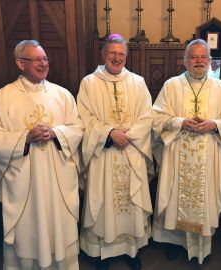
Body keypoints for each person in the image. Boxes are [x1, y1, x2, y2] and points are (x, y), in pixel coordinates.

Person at [0, 40, 84, 269]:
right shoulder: (3, 98)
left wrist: (55, 133)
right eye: (36, 59)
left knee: (58, 226)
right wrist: (25, 138)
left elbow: (77, 128)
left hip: (57, 179)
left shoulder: (62, 94)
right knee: (28, 228)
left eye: (45, 58)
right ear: (20, 63)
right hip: (24, 182)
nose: (43, 63)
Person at [152, 39, 221, 264]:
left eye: (203, 57)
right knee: (174, 199)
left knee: (203, 201)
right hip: (177, 152)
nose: (199, 61)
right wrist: (180, 122)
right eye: (194, 57)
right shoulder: (172, 85)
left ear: (210, 61)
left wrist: (215, 125)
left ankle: (201, 247)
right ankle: (174, 241)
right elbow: (156, 117)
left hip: (208, 155)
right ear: (185, 60)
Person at [77, 34, 153, 270]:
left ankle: (131, 250)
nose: (117, 58)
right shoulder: (89, 83)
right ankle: (104, 252)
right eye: (113, 53)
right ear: (104, 55)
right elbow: (84, 118)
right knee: (104, 203)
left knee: (131, 202)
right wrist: (109, 133)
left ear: (126, 56)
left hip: (131, 150)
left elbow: (147, 116)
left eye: (121, 54)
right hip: (104, 155)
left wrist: (127, 136)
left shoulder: (138, 82)